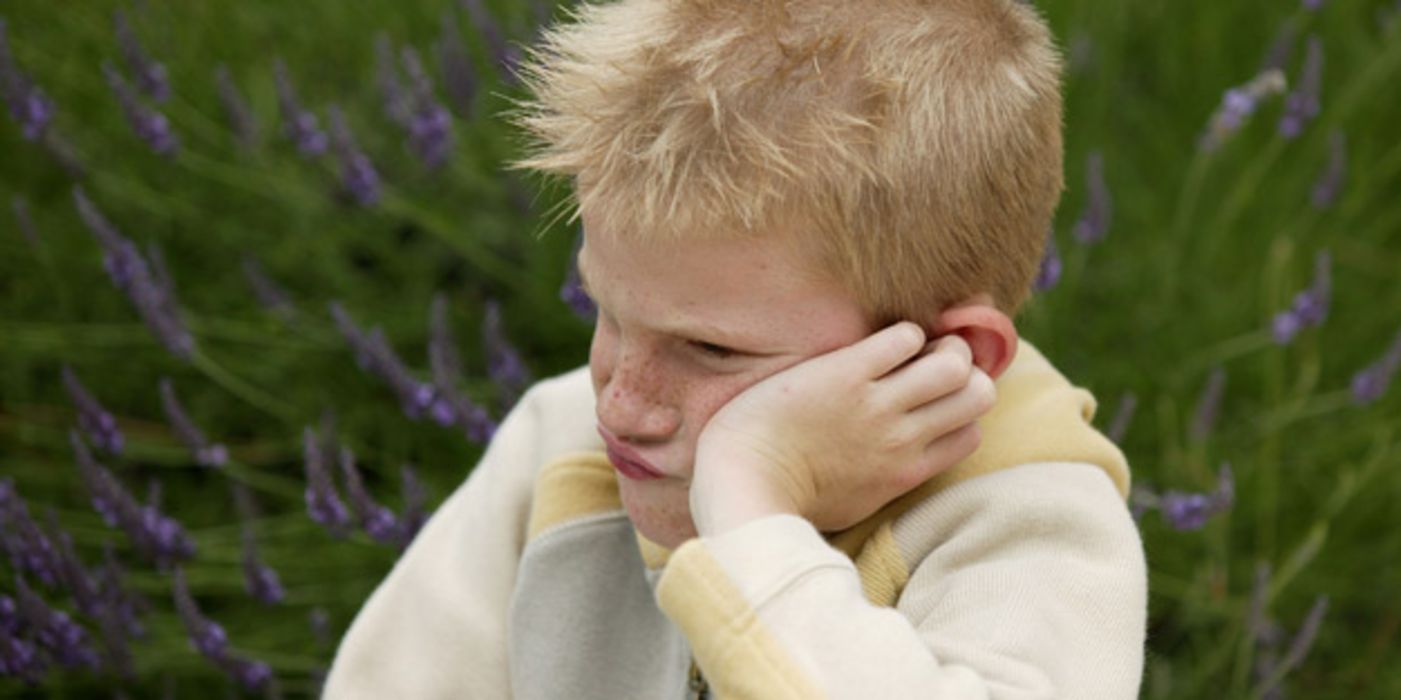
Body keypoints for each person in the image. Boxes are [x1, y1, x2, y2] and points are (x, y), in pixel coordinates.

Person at [324, 0, 1147, 697]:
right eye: (604, 310)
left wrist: (749, 511)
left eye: (712, 350)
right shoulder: (561, 442)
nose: (620, 403)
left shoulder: (1032, 536)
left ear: (951, 352)